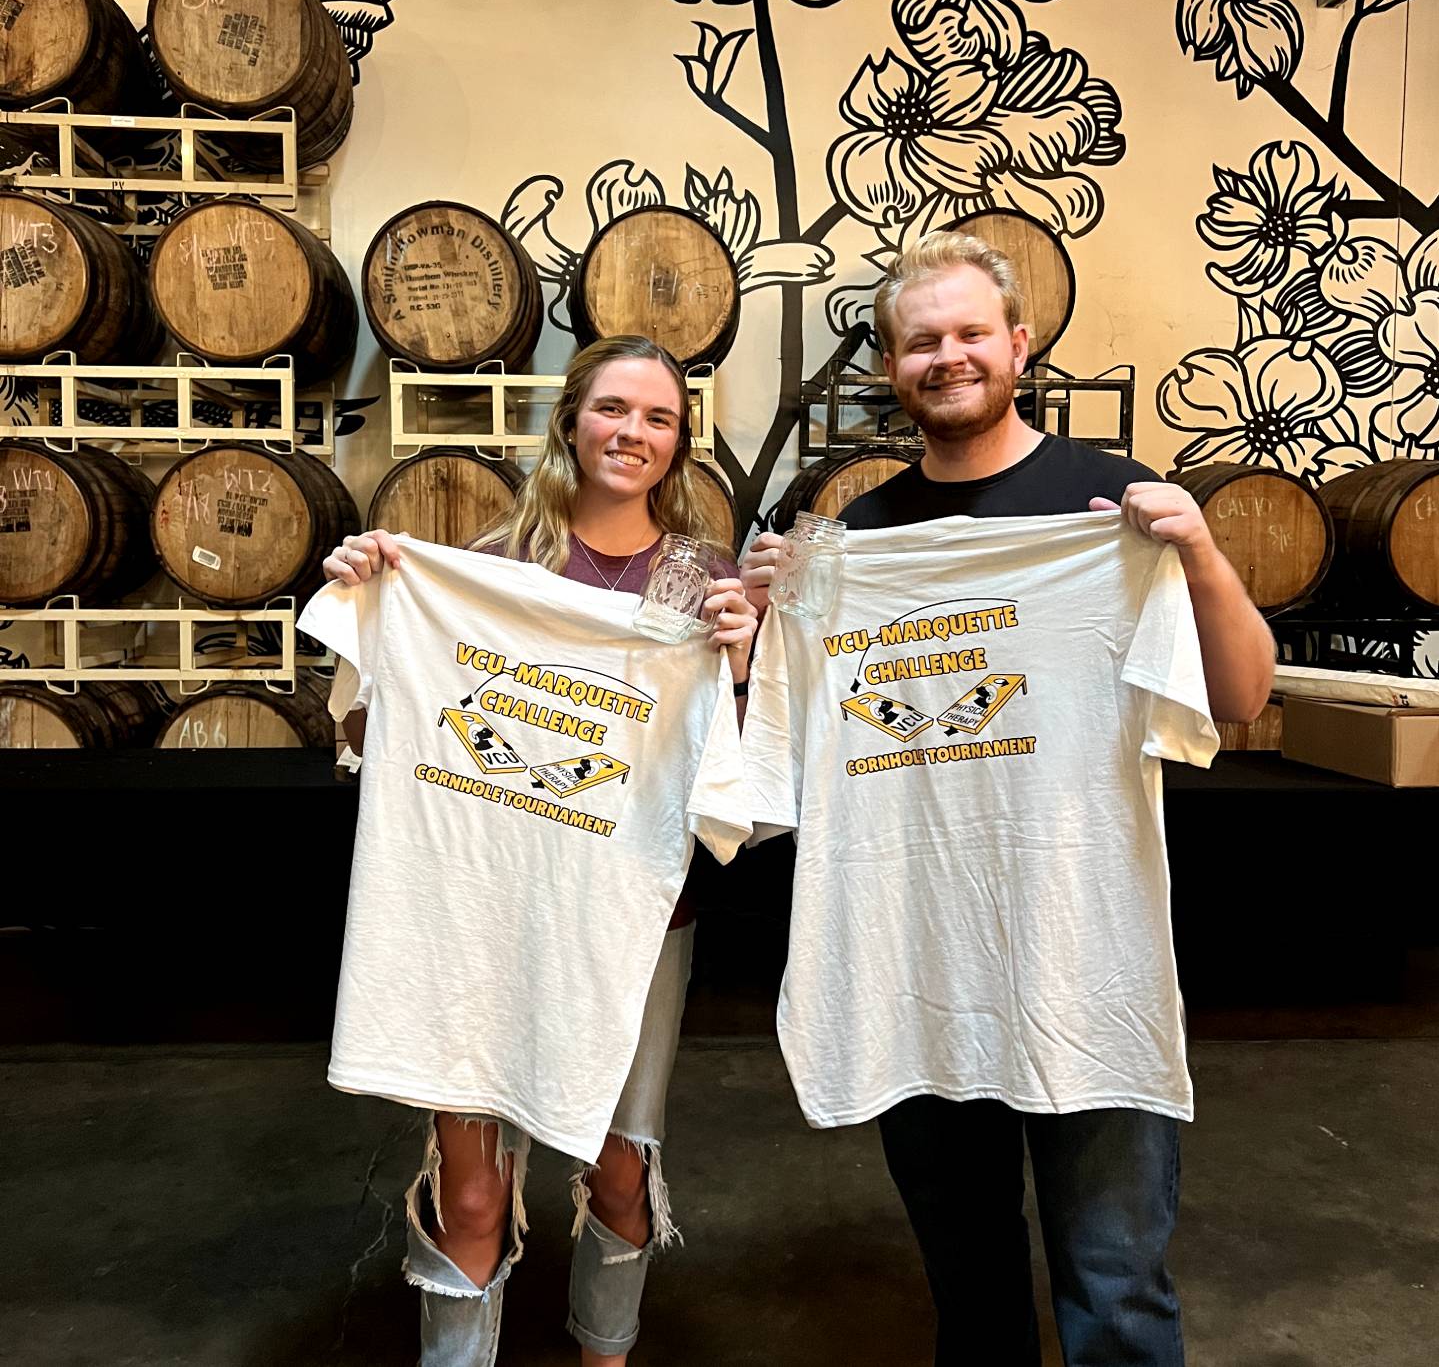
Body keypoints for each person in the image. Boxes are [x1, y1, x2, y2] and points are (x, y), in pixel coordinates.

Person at [742, 231, 1274, 1365]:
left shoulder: (1110, 503)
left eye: (970, 333)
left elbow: (1238, 696)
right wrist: (762, 628)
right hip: (918, 963)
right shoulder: (853, 545)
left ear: (1019, 345)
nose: (949, 356)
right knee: (972, 1295)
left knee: (1117, 1289)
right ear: (892, 366)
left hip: (1085, 958)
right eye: (922, 341)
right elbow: (782, 747)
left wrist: (1202, 556)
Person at [323, 335, 757, 1367]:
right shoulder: (483, 570)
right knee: (471, 1187)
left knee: (620, 1171)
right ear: (571, 420)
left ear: (680, 442)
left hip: (638, 920)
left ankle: (604, 1354)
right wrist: (370, 602)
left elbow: (748, 778)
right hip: (479, 910)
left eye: (659, 417)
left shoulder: (706, 584)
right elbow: (367, 736)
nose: (633, 433)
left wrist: (743, 669)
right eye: (613, 409)